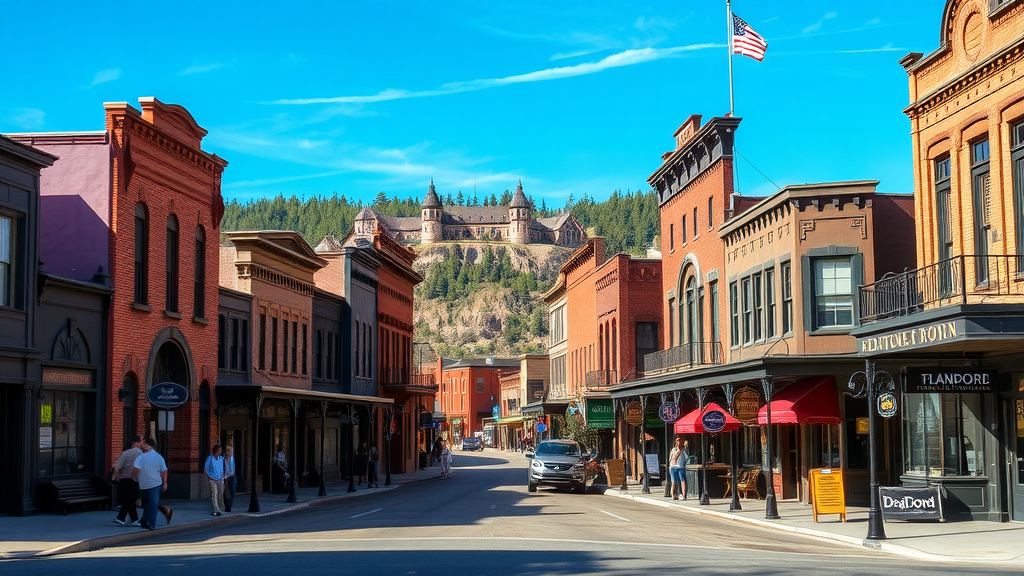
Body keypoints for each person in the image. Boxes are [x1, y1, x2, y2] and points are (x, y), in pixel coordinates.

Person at [132, 437, 168, 530]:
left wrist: (135, 478)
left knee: (151, 503)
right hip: (149, 484)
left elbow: (164, 470)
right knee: (148, 504)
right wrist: (165, 483)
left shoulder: (148, 457)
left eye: (144, 444)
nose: (142, 445)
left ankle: (151, 522)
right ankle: (145, 520)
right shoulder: (144, 457)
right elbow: (164, 470)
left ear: (149, 446)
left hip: (151, 484)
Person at [111, 435, 143, 526]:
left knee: (128, 499)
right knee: (131, 499)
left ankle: (130, 518)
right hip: (136, 479)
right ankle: (125, 518)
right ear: (137, 443)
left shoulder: (126, 453)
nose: (142, 444)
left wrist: (114, 477)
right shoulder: (142, 454)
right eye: (141, 441)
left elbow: (118, 467)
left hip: (124, 479)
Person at [204, 444, 225, 516]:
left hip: (220, 479)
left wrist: (223, 476)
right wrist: (209, 477)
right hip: (212, 479)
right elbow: (205, 469)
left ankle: (221, 507)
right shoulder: (210, 458)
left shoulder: (221, 459)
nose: (220, 451)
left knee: (221, 493)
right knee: (214, 493)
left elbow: (224, 468)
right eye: (219, 450)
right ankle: (216, 509)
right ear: (216, 450)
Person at [223, 446, 236, 512]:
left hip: (232, 476)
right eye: (227, 450)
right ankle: (226, 505)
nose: (228, 452)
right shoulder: (223, 459)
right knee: (225, 492)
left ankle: (229, 505)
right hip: (225, 477)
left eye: (229, 450)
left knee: (232, 490)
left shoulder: (233, 459)